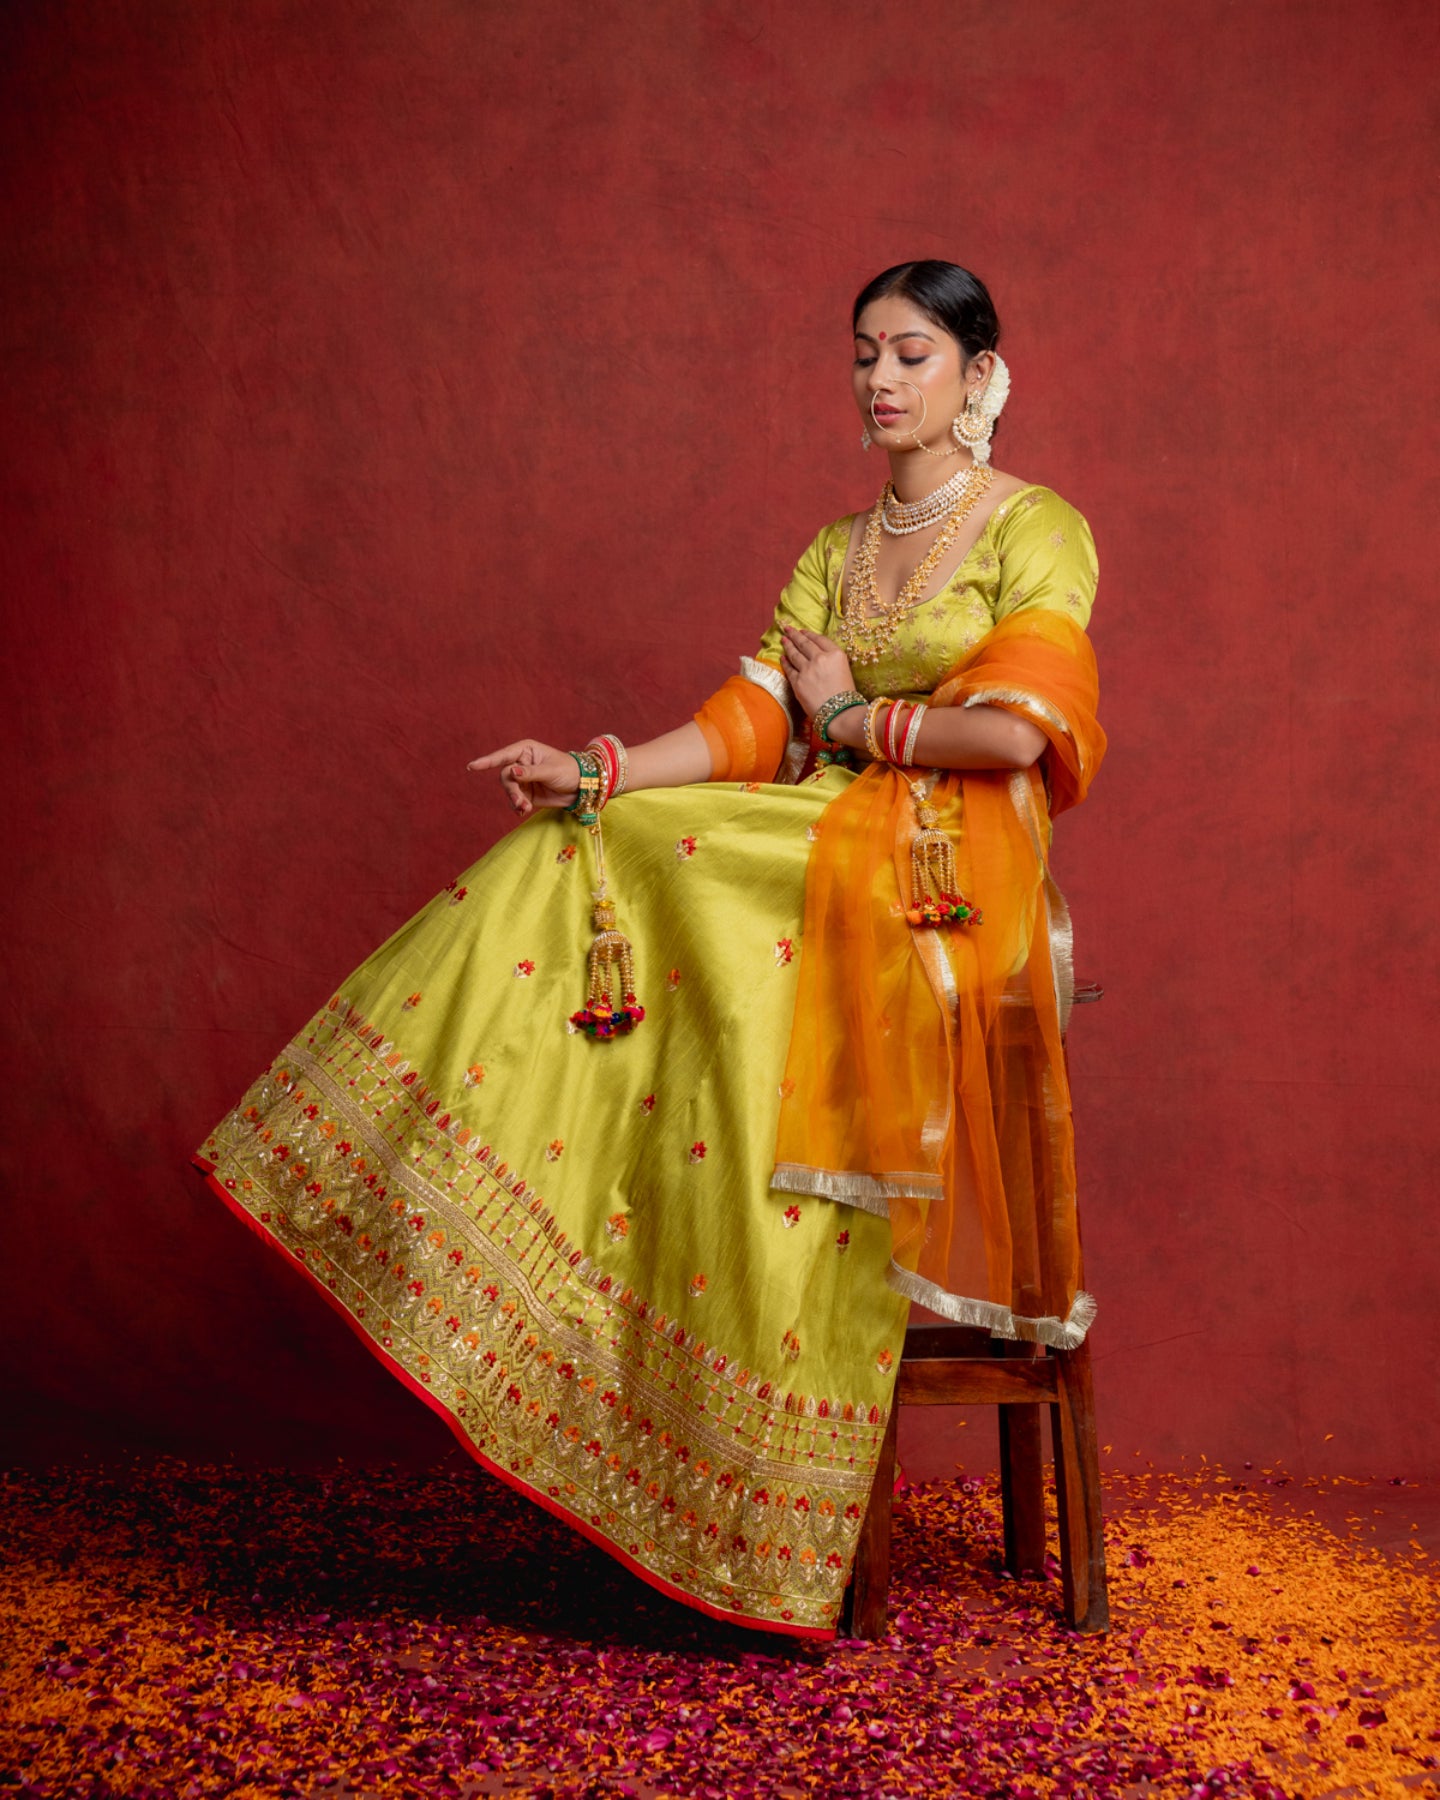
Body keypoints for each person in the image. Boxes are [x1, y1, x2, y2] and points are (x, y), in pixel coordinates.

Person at [195, 260, 1106, 1642]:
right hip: (810, 842)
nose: (878, 381)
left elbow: (1019, 740)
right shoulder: (837, 548)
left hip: (946, 876)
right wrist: (600, 764)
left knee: (679, 863)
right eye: (862, 354)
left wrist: (853, 717)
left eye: (911, 355)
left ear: (980, 373)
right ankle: (552, 1254)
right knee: (599, 841)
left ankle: (759, 1433)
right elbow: (751, 719)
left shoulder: (1039, 531)